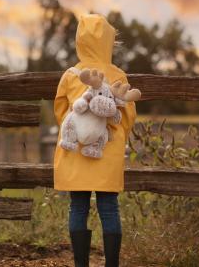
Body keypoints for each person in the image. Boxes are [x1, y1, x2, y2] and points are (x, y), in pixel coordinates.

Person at [53, 14, 137, 267]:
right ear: (109, 42)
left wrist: (76, 131)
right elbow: (128, 115)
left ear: (80, 40)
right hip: (106, 150)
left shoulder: (71, 74)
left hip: (75, 149)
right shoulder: (118, 74)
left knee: (77, 207)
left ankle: (81, 264)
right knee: (109, 208)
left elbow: (60, 110)